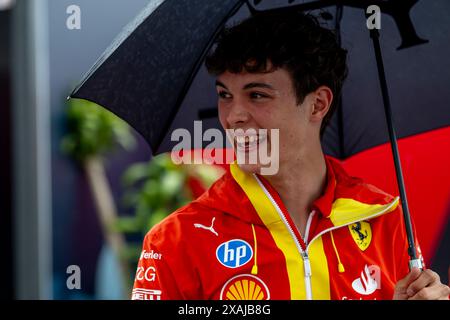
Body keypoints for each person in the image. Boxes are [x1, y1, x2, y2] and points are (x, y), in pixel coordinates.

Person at [131, 10, 450, 300]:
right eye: (225, 95)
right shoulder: (174, 242)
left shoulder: (386, 220)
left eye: (257, 95)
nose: (233, 116)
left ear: (318, 104)